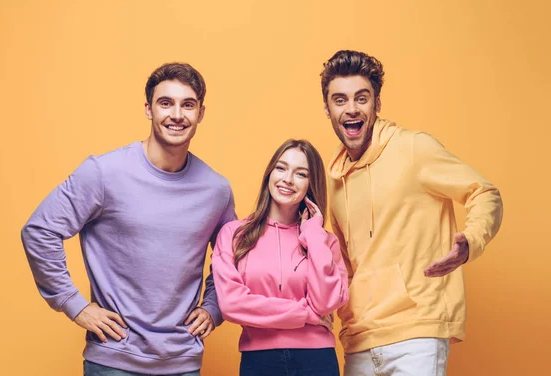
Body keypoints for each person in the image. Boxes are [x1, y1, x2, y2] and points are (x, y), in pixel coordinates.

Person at [21, 63, 236, 376]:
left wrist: (214, 308)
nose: (177, 114)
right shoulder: (103, 173)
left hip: (183, 362)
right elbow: (39, 231)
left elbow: (232, 257)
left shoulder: (216, 189)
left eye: (187, 104)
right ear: (148, 110)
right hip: (114, 360)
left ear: (201, 113)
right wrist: (74, 304)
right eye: (166, 103)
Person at [320, 50, 503, 375]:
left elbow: (485, 193)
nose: (351, 108)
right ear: (328, 109)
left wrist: (470, 243)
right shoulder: (333, 179)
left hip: (416, 332)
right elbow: (346, 265)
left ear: (377, 104)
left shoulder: (414, 148)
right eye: (340, 100)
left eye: (361, 98)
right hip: (359, 338)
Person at [212, 139, 349, 376]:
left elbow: (327, 303)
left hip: (317, 360)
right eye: (281, 168)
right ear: (269, 174)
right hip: (259, 361)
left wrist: (313, 234)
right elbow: (232, 304)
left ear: (310, 184)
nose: (287, 179)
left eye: (301, 174)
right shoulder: (234, 235)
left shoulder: (325, 242)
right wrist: (307, 314)